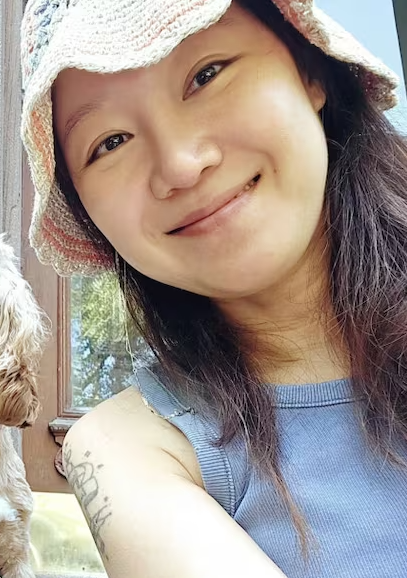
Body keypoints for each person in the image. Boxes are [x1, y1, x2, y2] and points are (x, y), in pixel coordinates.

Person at [21, 0, 407, 576]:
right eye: (111, 142)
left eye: (207, 74)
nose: (181, 165)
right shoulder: (132, 446)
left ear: (310, 71)